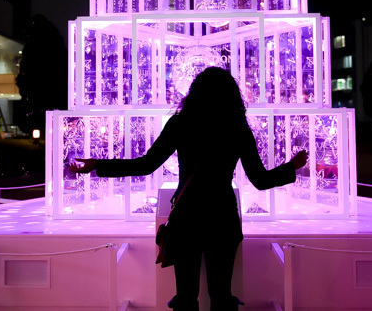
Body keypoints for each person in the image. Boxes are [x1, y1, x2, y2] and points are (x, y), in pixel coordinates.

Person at [70, 67, 307, 311]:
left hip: (187, 218)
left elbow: (146, 164)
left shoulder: (181, 123)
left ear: (195, 93)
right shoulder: (237, 127)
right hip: (222, 218)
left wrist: (97, 165)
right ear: (231, 94)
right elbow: (260, 179)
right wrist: (292, 167)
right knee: (222, 296)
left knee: (185, 298)